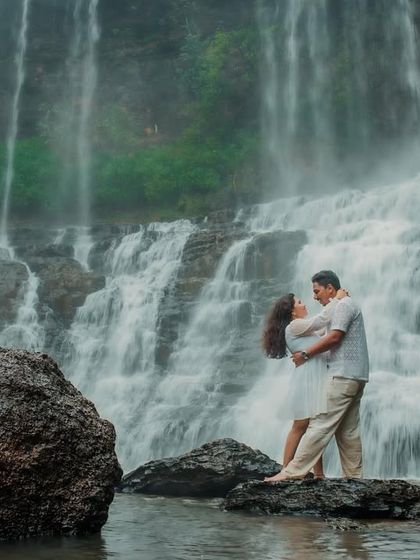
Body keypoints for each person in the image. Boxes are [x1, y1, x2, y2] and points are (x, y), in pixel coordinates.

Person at [266, 270, 369, 481]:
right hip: (356, 375)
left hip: (342, 375)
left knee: (319, 425)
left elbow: (334, 337)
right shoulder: (343, 306)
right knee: (348, 432)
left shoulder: (342, 305)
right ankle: (355, 478)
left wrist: (305, 354)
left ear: (330, 289)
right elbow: (322, 329)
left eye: (316, 291)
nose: (314, 297)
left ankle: (291, 472)